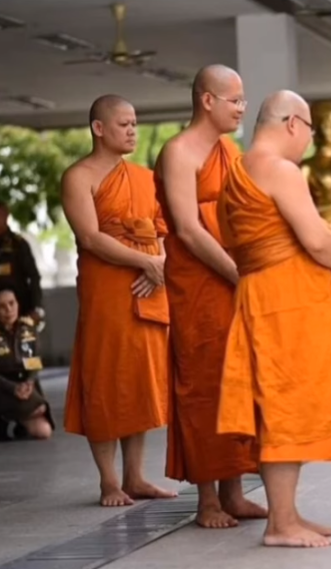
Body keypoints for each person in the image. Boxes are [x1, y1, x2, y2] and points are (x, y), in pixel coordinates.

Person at [217, 90, 331, 548]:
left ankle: (287, 512)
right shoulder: (281, 169)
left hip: (261, 294)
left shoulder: (237, 170)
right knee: (287, 405)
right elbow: (315, 240)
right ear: (291, 124)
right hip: (287, 301)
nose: (309, 140)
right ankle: (280, 525)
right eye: (309, 130)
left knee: (278, 405)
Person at [154, 65, 265, 529]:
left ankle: (234, 490)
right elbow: (187, 229)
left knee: (236, 380)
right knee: (200, 384)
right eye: (234, 99)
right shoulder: (179, 152)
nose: (242, 108)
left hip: (233, 278)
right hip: (198, 286)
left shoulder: (229, 150)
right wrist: (236, 274)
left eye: (242, 99)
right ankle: (207, 501)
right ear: (207, 100)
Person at [62, 94, 175, 507]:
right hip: (107, 288)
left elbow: (162, 230)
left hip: (150, 282)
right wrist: (146, 265)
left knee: (139, 380)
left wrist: (159, 263)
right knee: (106, 379)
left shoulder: (144, 177)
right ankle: (109, 481)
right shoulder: (79, 176)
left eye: (134, 124)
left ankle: (136, 477)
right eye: (124, 124)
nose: (132, 130)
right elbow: (90, 238)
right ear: (98, 128)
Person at [0, 204, 47, 440]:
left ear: (5, 215)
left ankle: (25, 413)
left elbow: (34, 279)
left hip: (19, 311)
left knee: (26, 357)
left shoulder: (18, 244)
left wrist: (36, 310)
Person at [0, 287, 53, 440]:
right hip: (3, 386)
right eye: (2, 306)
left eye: (11, 303)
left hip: (23, 384)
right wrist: (13, 388)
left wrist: (29, 383)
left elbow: (35, 362)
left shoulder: (28, 328)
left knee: (44, 431)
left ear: (18, 304)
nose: (8, 310)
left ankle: (18, 421)